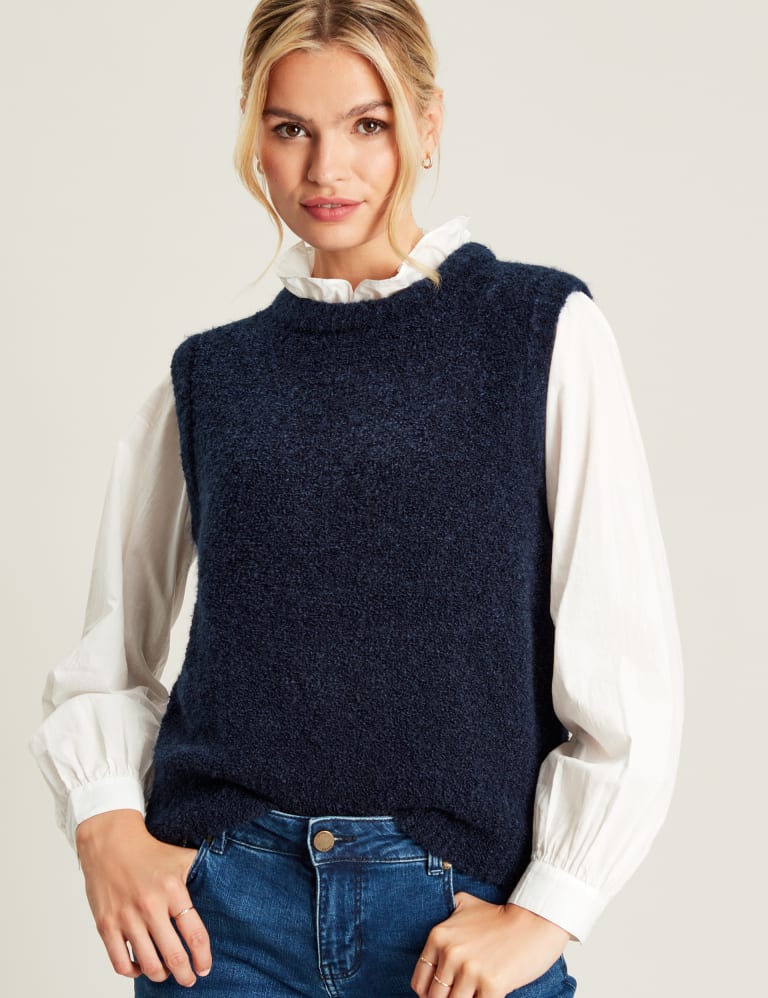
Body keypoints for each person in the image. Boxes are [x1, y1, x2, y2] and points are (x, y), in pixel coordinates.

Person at [29, 1, 684, 996]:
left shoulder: (539, 330)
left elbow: (625, 660)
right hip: (226, 922)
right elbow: (107, 655)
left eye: (367, 124)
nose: (326, 167)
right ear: (255, 137)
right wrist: (105, 824)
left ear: (429, 123)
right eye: (291, 127)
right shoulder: (211, 376)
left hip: (452, 924)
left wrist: (550, 910)